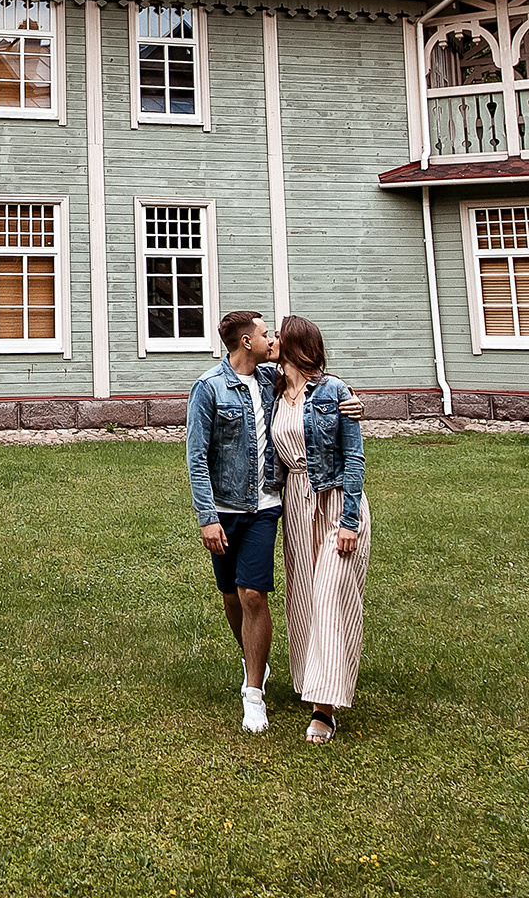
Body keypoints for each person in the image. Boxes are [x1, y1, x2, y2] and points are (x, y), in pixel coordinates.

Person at [186, 310, 366, 734]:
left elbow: (327, 398)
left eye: (276, 335)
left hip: (272, 507)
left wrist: (356, 402)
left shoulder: (280, 382)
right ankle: (260, 664)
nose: (272, 341)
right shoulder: (213, 388)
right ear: (247, 343)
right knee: (237, 597)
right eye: (267, 335)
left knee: (258, 597)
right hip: (241, 510)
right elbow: (196, 457)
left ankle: (261, 696)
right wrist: (207, 516)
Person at [268, 314, 370, 743]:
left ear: (295, 345)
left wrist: (349, 521)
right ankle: (314, 682)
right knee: (305, 598)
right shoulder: (271, 391)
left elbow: (354, 459)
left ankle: (324, 711)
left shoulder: (334, 392)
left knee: (331, 595)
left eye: (277, 335)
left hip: (334, 500)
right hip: (295, 500)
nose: (270, 340)